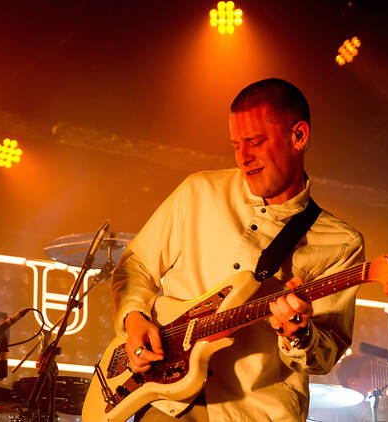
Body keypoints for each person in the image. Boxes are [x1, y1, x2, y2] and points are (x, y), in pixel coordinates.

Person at [111, 78, 364, 421]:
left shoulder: (341, 242)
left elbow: (324, 357)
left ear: (298, 136)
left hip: (252, 413)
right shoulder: (198, 191)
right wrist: (134, 318)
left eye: (255, 142)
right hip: (165, 406)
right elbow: (136, 264)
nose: (244, 158)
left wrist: (300, 334)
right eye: (235, 145)